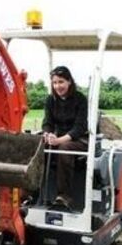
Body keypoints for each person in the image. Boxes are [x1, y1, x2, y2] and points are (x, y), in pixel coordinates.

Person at [42, 66, 88, 209]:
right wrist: (47, 134)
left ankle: (64, 196)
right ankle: (33, 191)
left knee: (64, 148)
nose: (57, 86)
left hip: (79, 140)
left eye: (61, 82)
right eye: (55, 83)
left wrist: (59, 140)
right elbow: (47, 123)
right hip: (59, 138)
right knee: (36, 145)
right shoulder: (51, 100)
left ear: (69, 81)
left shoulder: (80, 99)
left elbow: (79, 128)